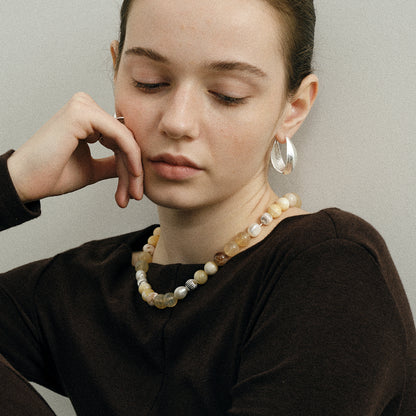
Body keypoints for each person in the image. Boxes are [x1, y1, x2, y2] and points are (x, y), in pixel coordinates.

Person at [1, 0, 415, 414]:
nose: (178, 122)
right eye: (150, 82)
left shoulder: (332, 268)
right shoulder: (82, 287)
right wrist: (14, 182)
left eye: (227, 94)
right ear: (116, 71)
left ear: (293, 108)